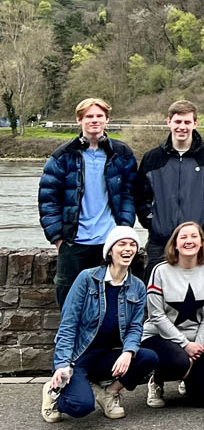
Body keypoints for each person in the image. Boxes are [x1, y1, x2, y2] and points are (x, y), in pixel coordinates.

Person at [41, 226, 159, 424]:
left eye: (132, 245)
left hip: (106, 356)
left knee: (149, 358)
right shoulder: (87, 279)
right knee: (81, 407)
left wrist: (128, 353)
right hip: (77, 357)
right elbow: (68, 325)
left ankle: (109, 393)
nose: (128, 249)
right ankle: (53, 392)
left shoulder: (137, 286)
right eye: (122, 244)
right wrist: (62, 365)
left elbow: (135, 327)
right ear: (110, 251)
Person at [39, 97, 138, 307]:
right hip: (74, 242)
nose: (94, 120)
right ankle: (70, 340)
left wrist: (124, 229)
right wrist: (58, 238)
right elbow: (48, 200)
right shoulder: (62, 157)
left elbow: (130, 194)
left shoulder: (122, 154)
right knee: (70, 302)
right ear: (79, 120)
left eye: (99, 116)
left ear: (107, 119)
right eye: (89, 116)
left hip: (109, 241)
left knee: (111, 301)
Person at [135, 101, 204, 271]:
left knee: (200, 292)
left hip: (199, 240)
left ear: (195, 123)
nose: (182, 127)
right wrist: (153, 223)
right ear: (168, 122)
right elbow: (141, 196)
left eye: (187, 122)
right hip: (160, 240)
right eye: (177, 122)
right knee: (156, 291)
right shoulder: (152, 158)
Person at [140, 221, 204, 409]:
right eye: (183, 237)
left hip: (197, 340)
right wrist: (185, 345)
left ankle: (187, 374)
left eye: (194, 236)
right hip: (158, 336)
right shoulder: (160, 271)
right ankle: (157, 379)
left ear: (202, 242)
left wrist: (197, 347)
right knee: (178, 360)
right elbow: (156, 315)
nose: (189, 241)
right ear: (174, 244)